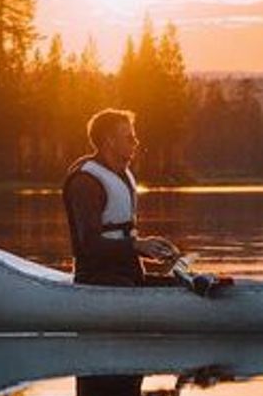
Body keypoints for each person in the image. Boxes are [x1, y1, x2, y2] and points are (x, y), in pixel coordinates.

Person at [63, 108, 182, 287]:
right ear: (110, 141)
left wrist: (152, 249)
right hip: (97, 280)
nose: (136, 142)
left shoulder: (122, 175)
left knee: (183, 283)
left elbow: (121, 238)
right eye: (129, 138)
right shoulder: (85, 182)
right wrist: (137, 245)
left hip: (130, 276)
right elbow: (89, 244)